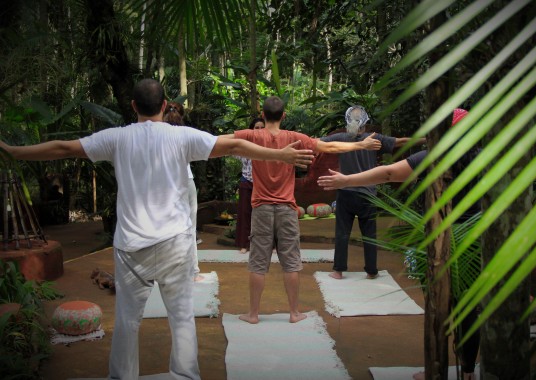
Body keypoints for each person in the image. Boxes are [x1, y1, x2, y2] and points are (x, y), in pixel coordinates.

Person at [0, 79, 314, 380]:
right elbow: (234, 145)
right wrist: (280, 154)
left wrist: (14, 151)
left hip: (131, 247)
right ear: (164, 105)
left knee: (127, 321)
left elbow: (62, 148)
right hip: (175, 245)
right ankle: (185, 375)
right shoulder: (183, 136)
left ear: (133, 105)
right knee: (181, 318)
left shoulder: (117, 137)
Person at [317, 108, 536, 380]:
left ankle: (435, 369)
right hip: (475, 240)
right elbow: (527, 170)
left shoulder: (434, 158)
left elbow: (389, 173)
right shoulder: (484, 157)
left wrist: (346, 180)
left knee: (440, 306)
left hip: (442, 241)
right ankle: (469, 371)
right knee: (469, 307)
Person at [221, 95, 382, 324]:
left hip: (262, 209)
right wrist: (361, 144)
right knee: (291, 261)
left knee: (258, 262)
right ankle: (294, 313)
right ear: (284, 116)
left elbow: (217, 141)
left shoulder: (252, 136)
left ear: (263, 116)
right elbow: (329, 146)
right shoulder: (294, 138)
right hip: (287, 209)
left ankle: (253, 314)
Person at [321, 105, 424, 280]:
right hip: (368, 194)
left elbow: (316, 141)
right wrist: (425, 139)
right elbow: (400, 142)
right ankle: (371, 271)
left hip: (345, 193)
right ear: (366, 122)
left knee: (342, 233)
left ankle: (338, 271)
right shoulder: (374, 138)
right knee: (369, 235)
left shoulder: (341, 138)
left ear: (347, 122)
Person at [163, 101, 204, 282]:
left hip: (165, 183)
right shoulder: (187, 134)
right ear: (182, 116)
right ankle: (193, 272)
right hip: (186, 181)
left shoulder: (157, 134)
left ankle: (167, 272)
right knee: (190, 227)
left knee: (165, 228)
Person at [235, 117, 265, 254]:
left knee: (265, 214)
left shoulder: (269, 144)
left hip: (264, 184)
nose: (259, 130)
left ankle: (269, 244)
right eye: (256, 128)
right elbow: (233, 150)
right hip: (246, 181)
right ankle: (244, 244)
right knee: (245, 213)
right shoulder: (244, 145)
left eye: (261, 128)